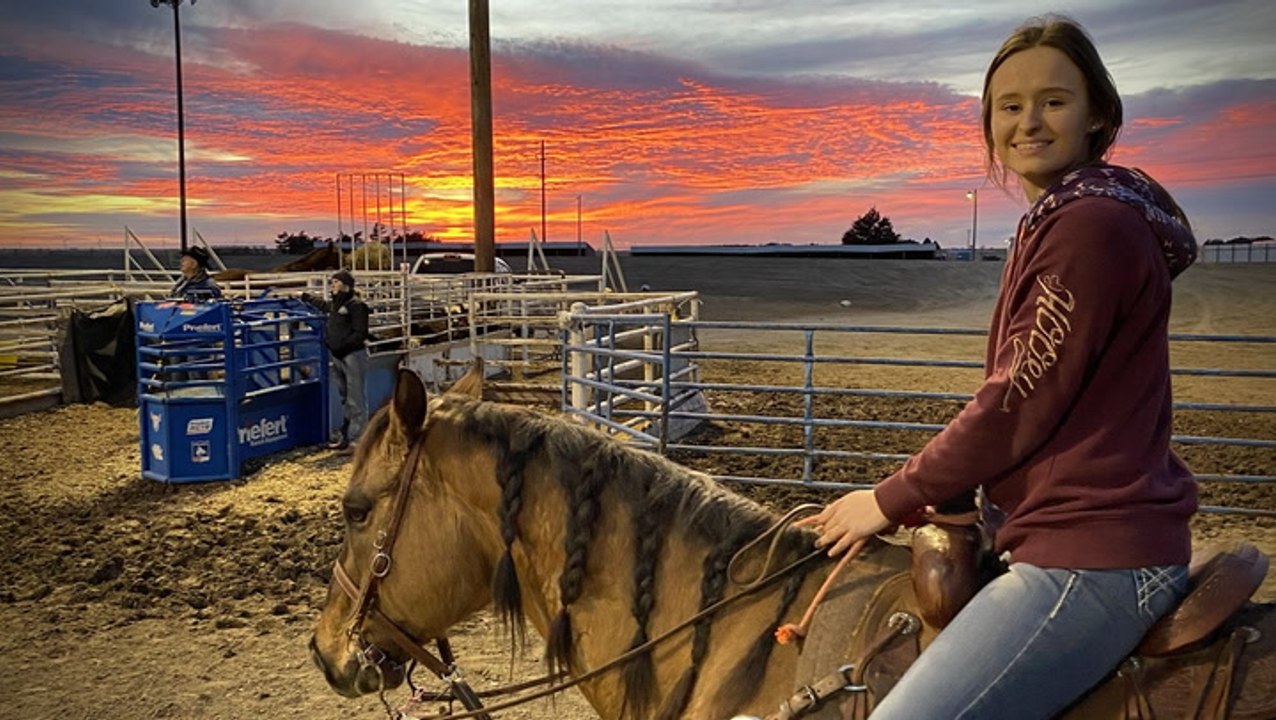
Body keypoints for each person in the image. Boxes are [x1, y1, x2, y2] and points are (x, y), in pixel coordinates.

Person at [799, 15, 1198, 720]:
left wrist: (890, 497)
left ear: (1097, 112)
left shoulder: (1088, 226)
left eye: (1053, 100)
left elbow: (1017, 399)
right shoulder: (1070, 216)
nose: (1029, 121)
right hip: (1068, 535)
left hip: (1091, 558)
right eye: (1009, 106)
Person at [303, 270, 370, 452]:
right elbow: (324, 306)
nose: (333, 284)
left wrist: (343, 347)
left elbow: (360, 332)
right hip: (339, 354)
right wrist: (307, 298)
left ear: (346, 285)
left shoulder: (356, 306)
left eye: (336, 282)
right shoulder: (336, 305)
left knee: (355, 398)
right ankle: (347, 436)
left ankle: (358, 439)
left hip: (352, 355)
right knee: (345, 397)